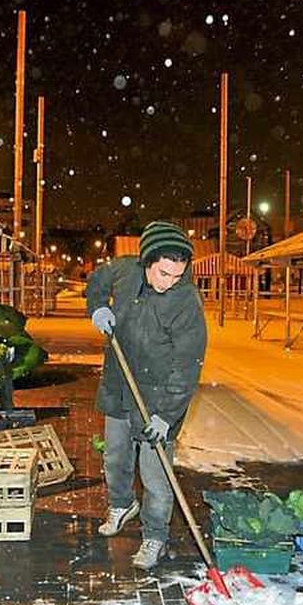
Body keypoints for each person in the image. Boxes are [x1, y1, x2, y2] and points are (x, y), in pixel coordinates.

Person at [86, 221, 208, 569]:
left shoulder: (185, 301)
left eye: (177, 275)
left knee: (155, 476)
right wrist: (98, 306)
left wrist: (166, 416)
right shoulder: (126, 271)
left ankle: (155, 536)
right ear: (147, 262)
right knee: (115, 457)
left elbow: (187, 366)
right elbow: (97, 280)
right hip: (118, 382)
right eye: (164, 273)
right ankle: (122, 504)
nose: (169, 282)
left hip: (157, 399)